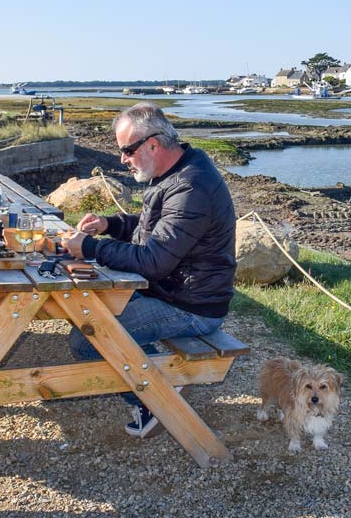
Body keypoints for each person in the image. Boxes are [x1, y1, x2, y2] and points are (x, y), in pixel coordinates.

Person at [62, 102, 236, 438]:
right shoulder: (175, 174)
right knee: (87, 313)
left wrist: (90, 248)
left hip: (191, 306)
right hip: (174, 292)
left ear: (152, 144)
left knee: (87, 337)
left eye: (127, 150)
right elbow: (153, 230)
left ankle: (159, 391)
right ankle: (155, 385)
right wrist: (110, 224)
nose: (123, 160)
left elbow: (155, 261)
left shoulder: (192, 187)